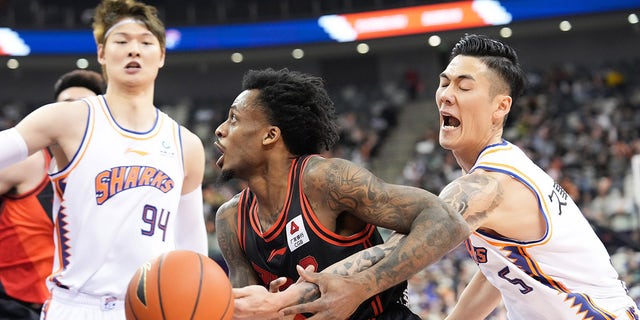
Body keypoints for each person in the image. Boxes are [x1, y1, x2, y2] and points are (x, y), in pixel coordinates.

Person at [0, 0, 208, 318]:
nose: (133, 50)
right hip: (75, 305)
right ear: (101, 53)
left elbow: (193, 250)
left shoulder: (187, 145)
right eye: (122, 41)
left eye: (146, 42)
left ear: (162, 55)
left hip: (149, 307)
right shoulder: (67, 119)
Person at [213, 68, 470, 319]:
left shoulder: (323, 181)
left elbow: (447, 221)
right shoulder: (231, 220)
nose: (220, 130)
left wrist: (360, 287)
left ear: (270, 135)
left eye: (233, 118)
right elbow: (246, 311)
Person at [431, 34, 639, 319]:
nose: (446, 94)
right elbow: (502, 268)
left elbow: (414, 240)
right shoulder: (502, 165)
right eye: (444, 83)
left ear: (501, 106)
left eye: (464, 86)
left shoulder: (493, 182)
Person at [0, 69, 105, 320]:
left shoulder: (109, 176)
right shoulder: (28, 162)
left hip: (75, 308)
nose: (70, 115)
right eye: (64, 107)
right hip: (15, 307)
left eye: (81, 108)